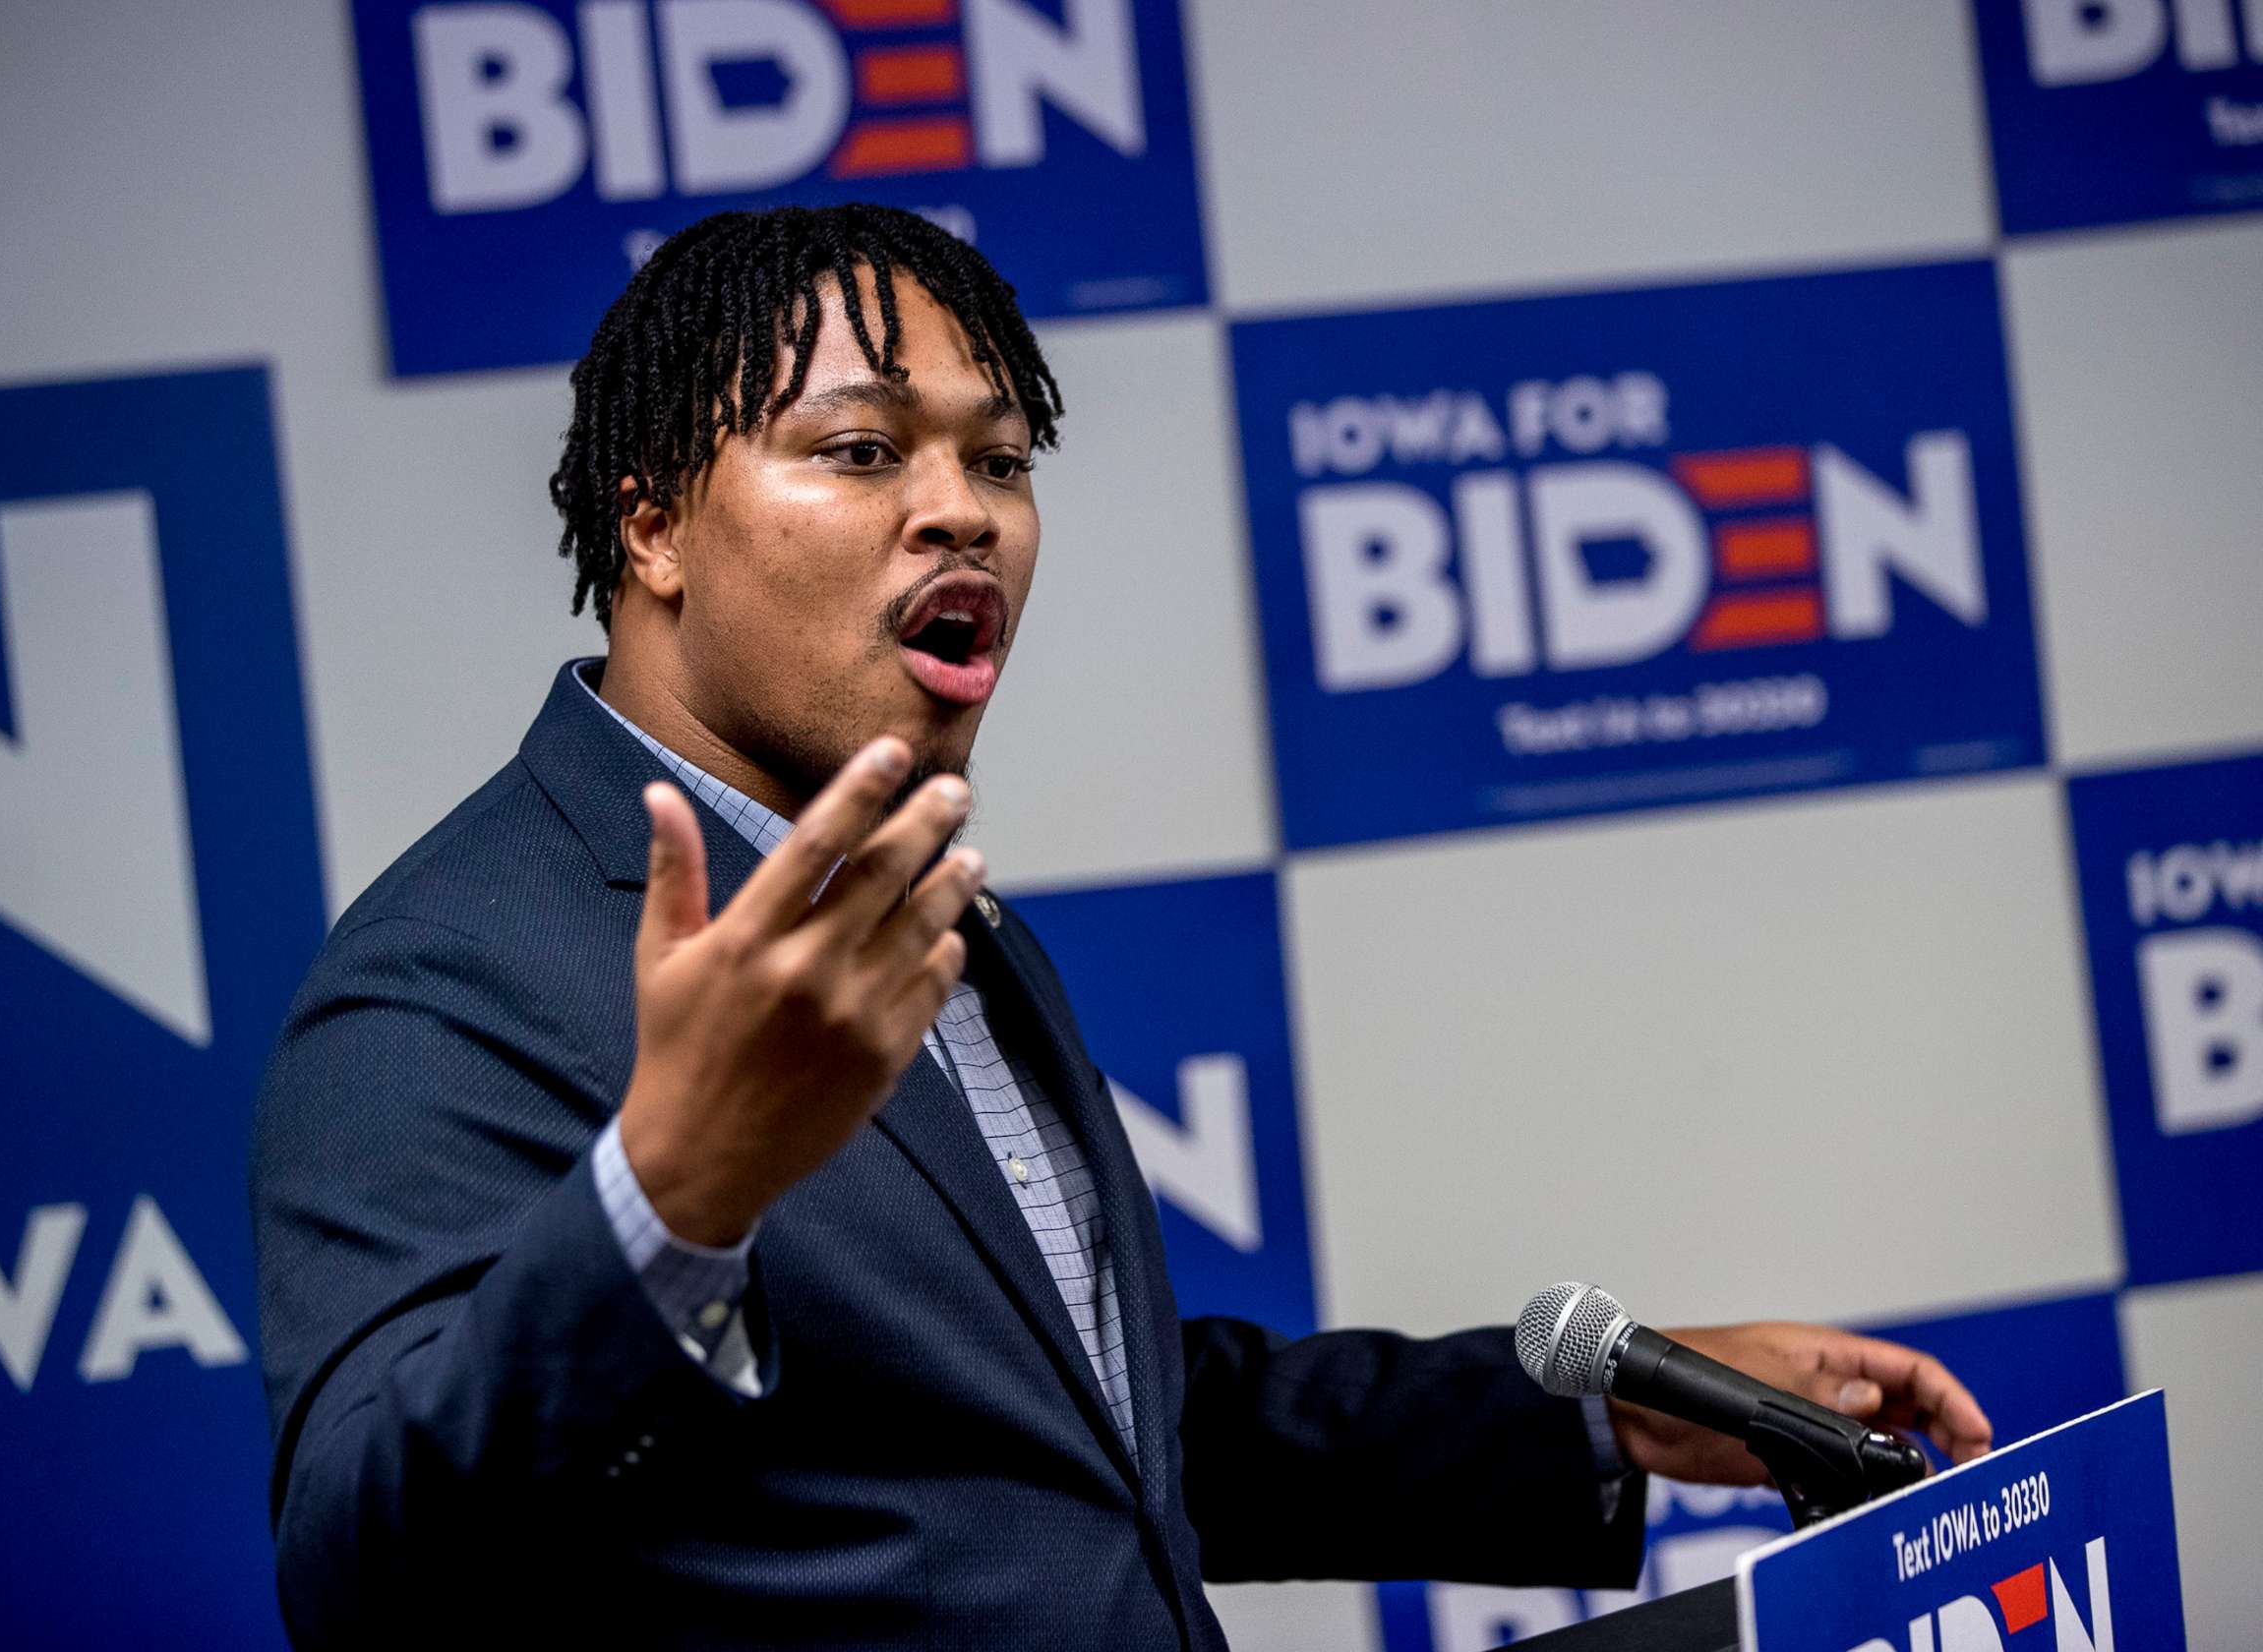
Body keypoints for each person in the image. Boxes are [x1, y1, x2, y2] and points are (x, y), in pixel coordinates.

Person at [249, 205, 1992, 1649]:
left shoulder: (917, 901)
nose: (963, 512)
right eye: (860, 450)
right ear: (651, 522)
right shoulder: (446, 980)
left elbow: (1102, 1434)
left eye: (999, 460)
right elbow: (367, 1569)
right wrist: (672, 1199)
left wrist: (1602, 1418)